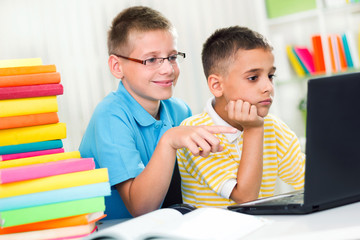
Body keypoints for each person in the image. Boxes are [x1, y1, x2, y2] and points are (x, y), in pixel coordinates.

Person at [79, 6, 236, 219]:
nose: (168, 69)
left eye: (172, 57)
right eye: (151, 60)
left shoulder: (179, 110)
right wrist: (169, 140)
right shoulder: (110, 116)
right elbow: (141, 208)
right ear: (117, 66)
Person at [176, 26, 305, 208]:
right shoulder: (196, 133)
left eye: (270, 76)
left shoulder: (273, 127)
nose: (268, 87)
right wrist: (253, 129)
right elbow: (245, 198)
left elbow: (312, 180)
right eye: (253, 78)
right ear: (217, 85)